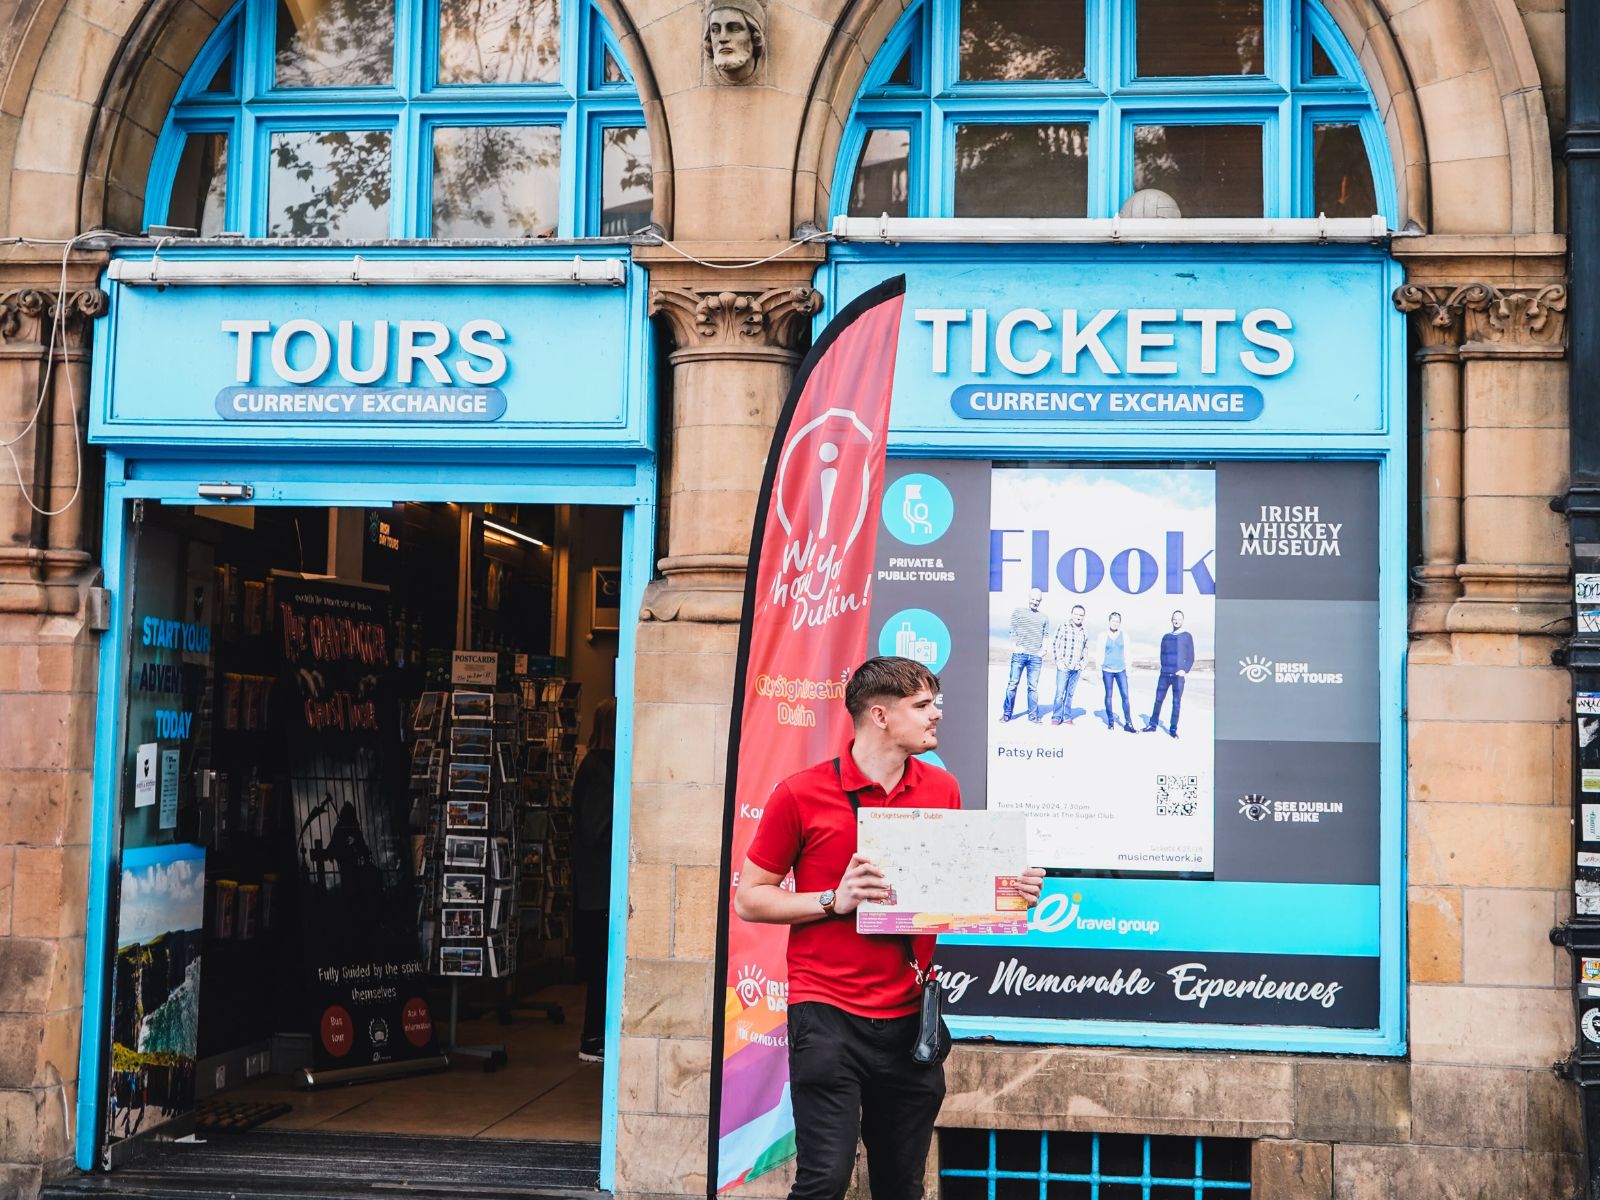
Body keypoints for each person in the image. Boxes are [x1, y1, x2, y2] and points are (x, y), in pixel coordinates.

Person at [737, 656, 1045, 1200]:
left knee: (901, 1186)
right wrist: (836, 899)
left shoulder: (943, 789)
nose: (937, 715)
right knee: (823, 1181)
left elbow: (945, 892)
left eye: (935, 703)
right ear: (879, 715)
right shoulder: (800, 793)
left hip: (909, 1019)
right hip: (826, 1013)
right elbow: (750, 900)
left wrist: (1008, 894)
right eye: (923, 705)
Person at [572, 697, 617, 1063]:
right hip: (600, 888)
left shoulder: (594, 766)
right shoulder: (601, 770)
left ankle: (595, 1035)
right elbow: (598, 830)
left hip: (596, 887)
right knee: (602, 965)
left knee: (603, 963)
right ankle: (592, 1038)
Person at [1143, 610, 1195, 738]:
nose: (1176, 621)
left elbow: (1191, 657)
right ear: (1171, 620)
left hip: (1178, 676)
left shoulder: (1187, 636)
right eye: (1174, 619)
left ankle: (1173, 729)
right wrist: (1165, 668)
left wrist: (1184, 670)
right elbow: (1162, 655)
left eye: (1179, 619)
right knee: (1158, 700)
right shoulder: (1166, 637)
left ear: (1183, 621)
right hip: (1164, 675)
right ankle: (1152, 724)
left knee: (1176, 703)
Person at [1000, 587, 1049, 723]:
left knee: (1033, 687)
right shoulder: (1018, 612)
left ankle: (1033, 716)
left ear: (1041, 601)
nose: (1035, 602)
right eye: (1033, 599)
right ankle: (1007, 714)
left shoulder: (1044, 617)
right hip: (1019, 655)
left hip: (1035, 657)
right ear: (1029, 598)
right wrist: (1015, 647)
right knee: (1012, 684)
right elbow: (1012, 630)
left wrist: (1043, 651)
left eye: (1037, 600)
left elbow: (1045, 635)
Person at [1048, 604, 1088, 726]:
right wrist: (1058, 662)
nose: (1078, 617)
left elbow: (1085, 649)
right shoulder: (1063, 627)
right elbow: (1055, 644)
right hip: (1064, 667)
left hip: (1076, 669)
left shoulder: (1084, 631)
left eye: (1081, 615)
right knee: (1060, 693)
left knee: (1070, 694)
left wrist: (1082, 664)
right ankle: (1056, 717)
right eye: (1076, 614)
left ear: (1083, 617)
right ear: (1071, 614)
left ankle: (1066, 717)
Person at [1100, 612, 1137, 732]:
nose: (1115, 623)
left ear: (1119, 623)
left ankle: (1128, 723)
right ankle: (1111, 721)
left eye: (1117, 621)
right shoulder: (1103, 635)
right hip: (1107, 670)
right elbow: (1099, 652)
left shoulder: (1124, 636)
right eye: (1113, 620)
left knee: (1125, 696)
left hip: (1121, 670)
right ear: (1109, 621)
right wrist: (1097, 668)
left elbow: (1128, 652)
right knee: (1109, 696)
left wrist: (1129, 668)